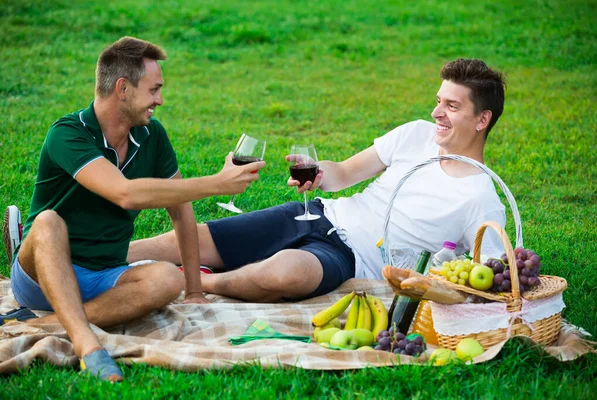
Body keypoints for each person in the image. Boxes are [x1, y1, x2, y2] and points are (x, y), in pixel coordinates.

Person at [125, 58, 507, 303]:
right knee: (189, 240)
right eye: (439, 100)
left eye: (451, 106)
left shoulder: (480, 197)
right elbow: (344, 172)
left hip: (353, 258)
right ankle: (94, 258)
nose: (436, 112)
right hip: (320, 214)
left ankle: (197, 283)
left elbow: (492, 275)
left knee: (284, 273)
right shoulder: (415, 134)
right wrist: (321, 172)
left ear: (482, 119)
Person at [0, 36, 265, 382]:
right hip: (41, 277)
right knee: (49, 222)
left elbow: (180, 209)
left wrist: (195, 291)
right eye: (154, 90)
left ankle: (41, 323)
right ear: (122, 88)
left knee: (169, 278)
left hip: (104, 276)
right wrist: (218, 183)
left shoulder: (152, 136)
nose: (160, 100)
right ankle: (87, 345)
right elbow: (125, 194)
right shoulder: (68, 134)